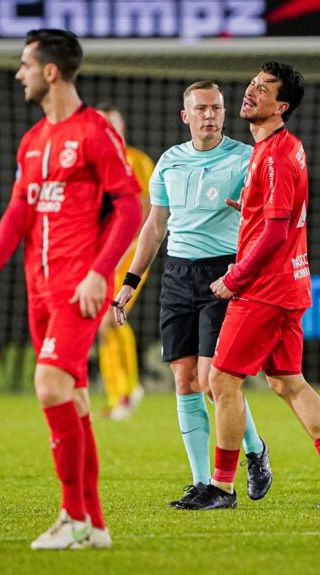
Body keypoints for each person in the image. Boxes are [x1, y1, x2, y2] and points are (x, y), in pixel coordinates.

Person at [0, 29, 142, 549]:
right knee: (76, 397)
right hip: (37, 288)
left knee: (49, 386)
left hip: (78, 286)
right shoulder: (33, 139)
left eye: (25, 64)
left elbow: (130, 207)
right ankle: (95, 526)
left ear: (51, 71)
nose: (20, 74)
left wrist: (100, 272)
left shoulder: (95, 131)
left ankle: (71, 515)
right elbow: (20, 209)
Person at [179, 63, 320, 510]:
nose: (251, 92)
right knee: (287, 382)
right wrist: (251, 209)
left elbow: (277, 232)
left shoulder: (276, 154)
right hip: (291, 283)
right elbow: (279, 215)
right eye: (253, 84)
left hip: (266, 288)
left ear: (281, 107)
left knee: (220, 380)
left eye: (263, 90)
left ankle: (221, 488)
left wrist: (234, 278)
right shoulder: (281, 149)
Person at [112, 81, 273, 508]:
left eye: (216, 108)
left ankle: (249, 457)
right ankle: (205, 480)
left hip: (223, 273)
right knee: (184, 380)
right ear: (185, 116)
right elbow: (154, 226)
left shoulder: (246, 159)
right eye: (200, 108)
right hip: (177, 276)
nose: (209, 115)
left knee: (211, 380)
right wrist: (130, 280)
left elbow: (269, 220)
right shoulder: (169, 162)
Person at [95, 103, 153, 421]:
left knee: (111, 315)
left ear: (123, 126)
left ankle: (129, 390)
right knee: (100, 322)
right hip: (101, 255)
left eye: (113, 123)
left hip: (129, 253)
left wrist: (127, 251)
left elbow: (146, 211)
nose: (110, 129)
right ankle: (118, 394)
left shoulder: (137, 160)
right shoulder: (92, 163)